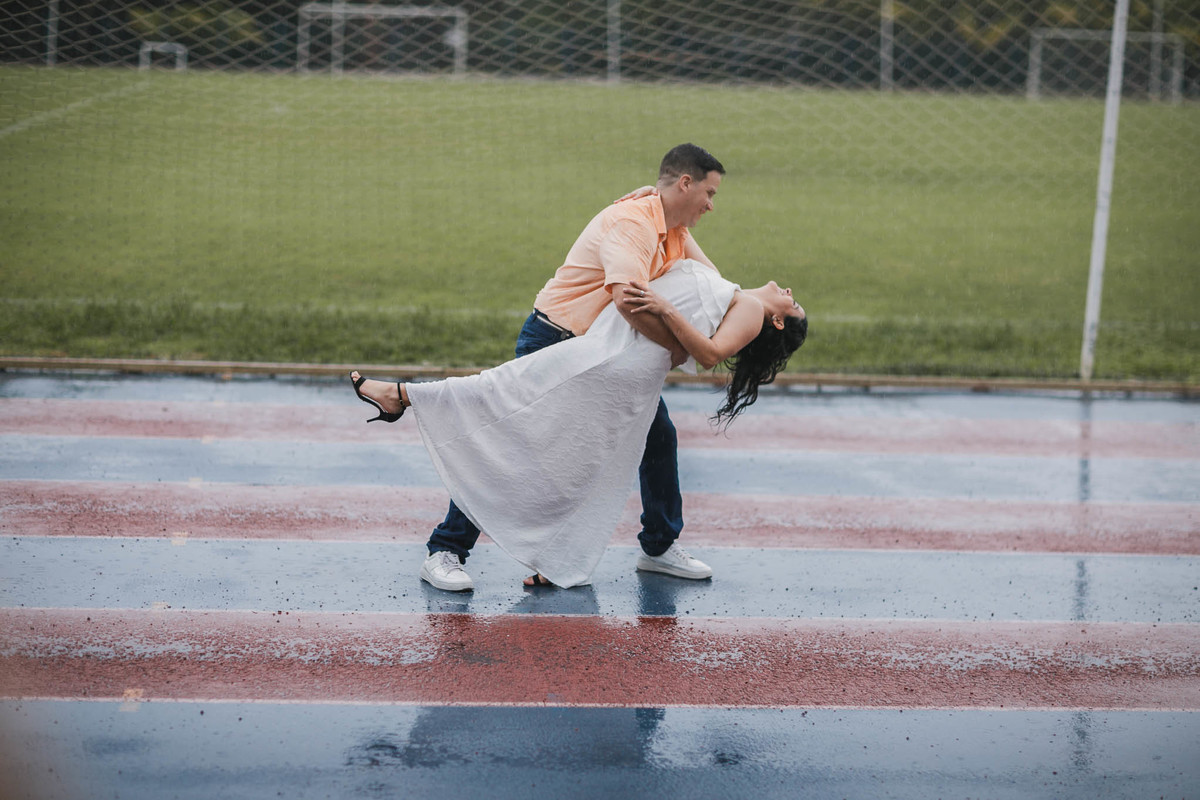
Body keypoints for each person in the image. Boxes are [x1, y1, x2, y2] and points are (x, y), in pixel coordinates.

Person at [351, 260, 807, 589]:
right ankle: (409, 406)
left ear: (779, 322)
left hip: (613, 361)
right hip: (615, 357)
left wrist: (664, 308)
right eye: (705, 194)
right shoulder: (727, 283)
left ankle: (405, 398)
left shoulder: (748, 308)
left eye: (794, 303)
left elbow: (707, 355)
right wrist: (653, 195)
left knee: (516, 409)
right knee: (565, 441)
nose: (788, 290)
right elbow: (686, 233)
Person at [404, 143, 730, 592]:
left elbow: (717, 285)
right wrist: (679, 351)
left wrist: (680, 224)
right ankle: (445, 550)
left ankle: (658, 547)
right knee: (516, 445)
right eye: (708, 193)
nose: (711, 205)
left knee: (658, 436)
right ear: (685, 183)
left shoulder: (668, 228)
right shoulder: (632, 223)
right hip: (555, 340)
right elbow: (629, 303)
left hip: (600, 355)